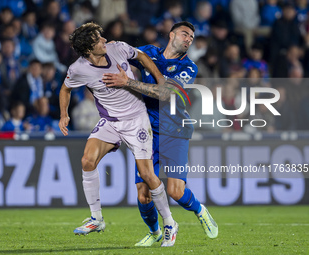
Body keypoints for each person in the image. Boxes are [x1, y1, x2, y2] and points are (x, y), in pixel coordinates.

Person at [58, 22, 179, 247]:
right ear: (88, 49)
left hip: (136, 121)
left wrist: (160, 78)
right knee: (87, 160)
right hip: (111, 122)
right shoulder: (78, 69)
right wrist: (64, 114)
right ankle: (97, 219)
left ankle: (170, 223)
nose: (104, 40)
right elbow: (65, 89)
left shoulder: (119, 48)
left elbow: (142, 56)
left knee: (146, 174)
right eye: (98, 39)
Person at [102, 21, 218, 247]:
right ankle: (155, 231)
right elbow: (120, 51)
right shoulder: (149, 53)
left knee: (175, 191)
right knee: (143, 194)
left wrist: (128, 83)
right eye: (185, 34)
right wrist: (109, 45)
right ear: (172, 35)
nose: (188, 39)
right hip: (145, 132)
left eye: (192, 38)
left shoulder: (188, 67)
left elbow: (165, 93)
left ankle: (200, 210)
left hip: (174, 131)